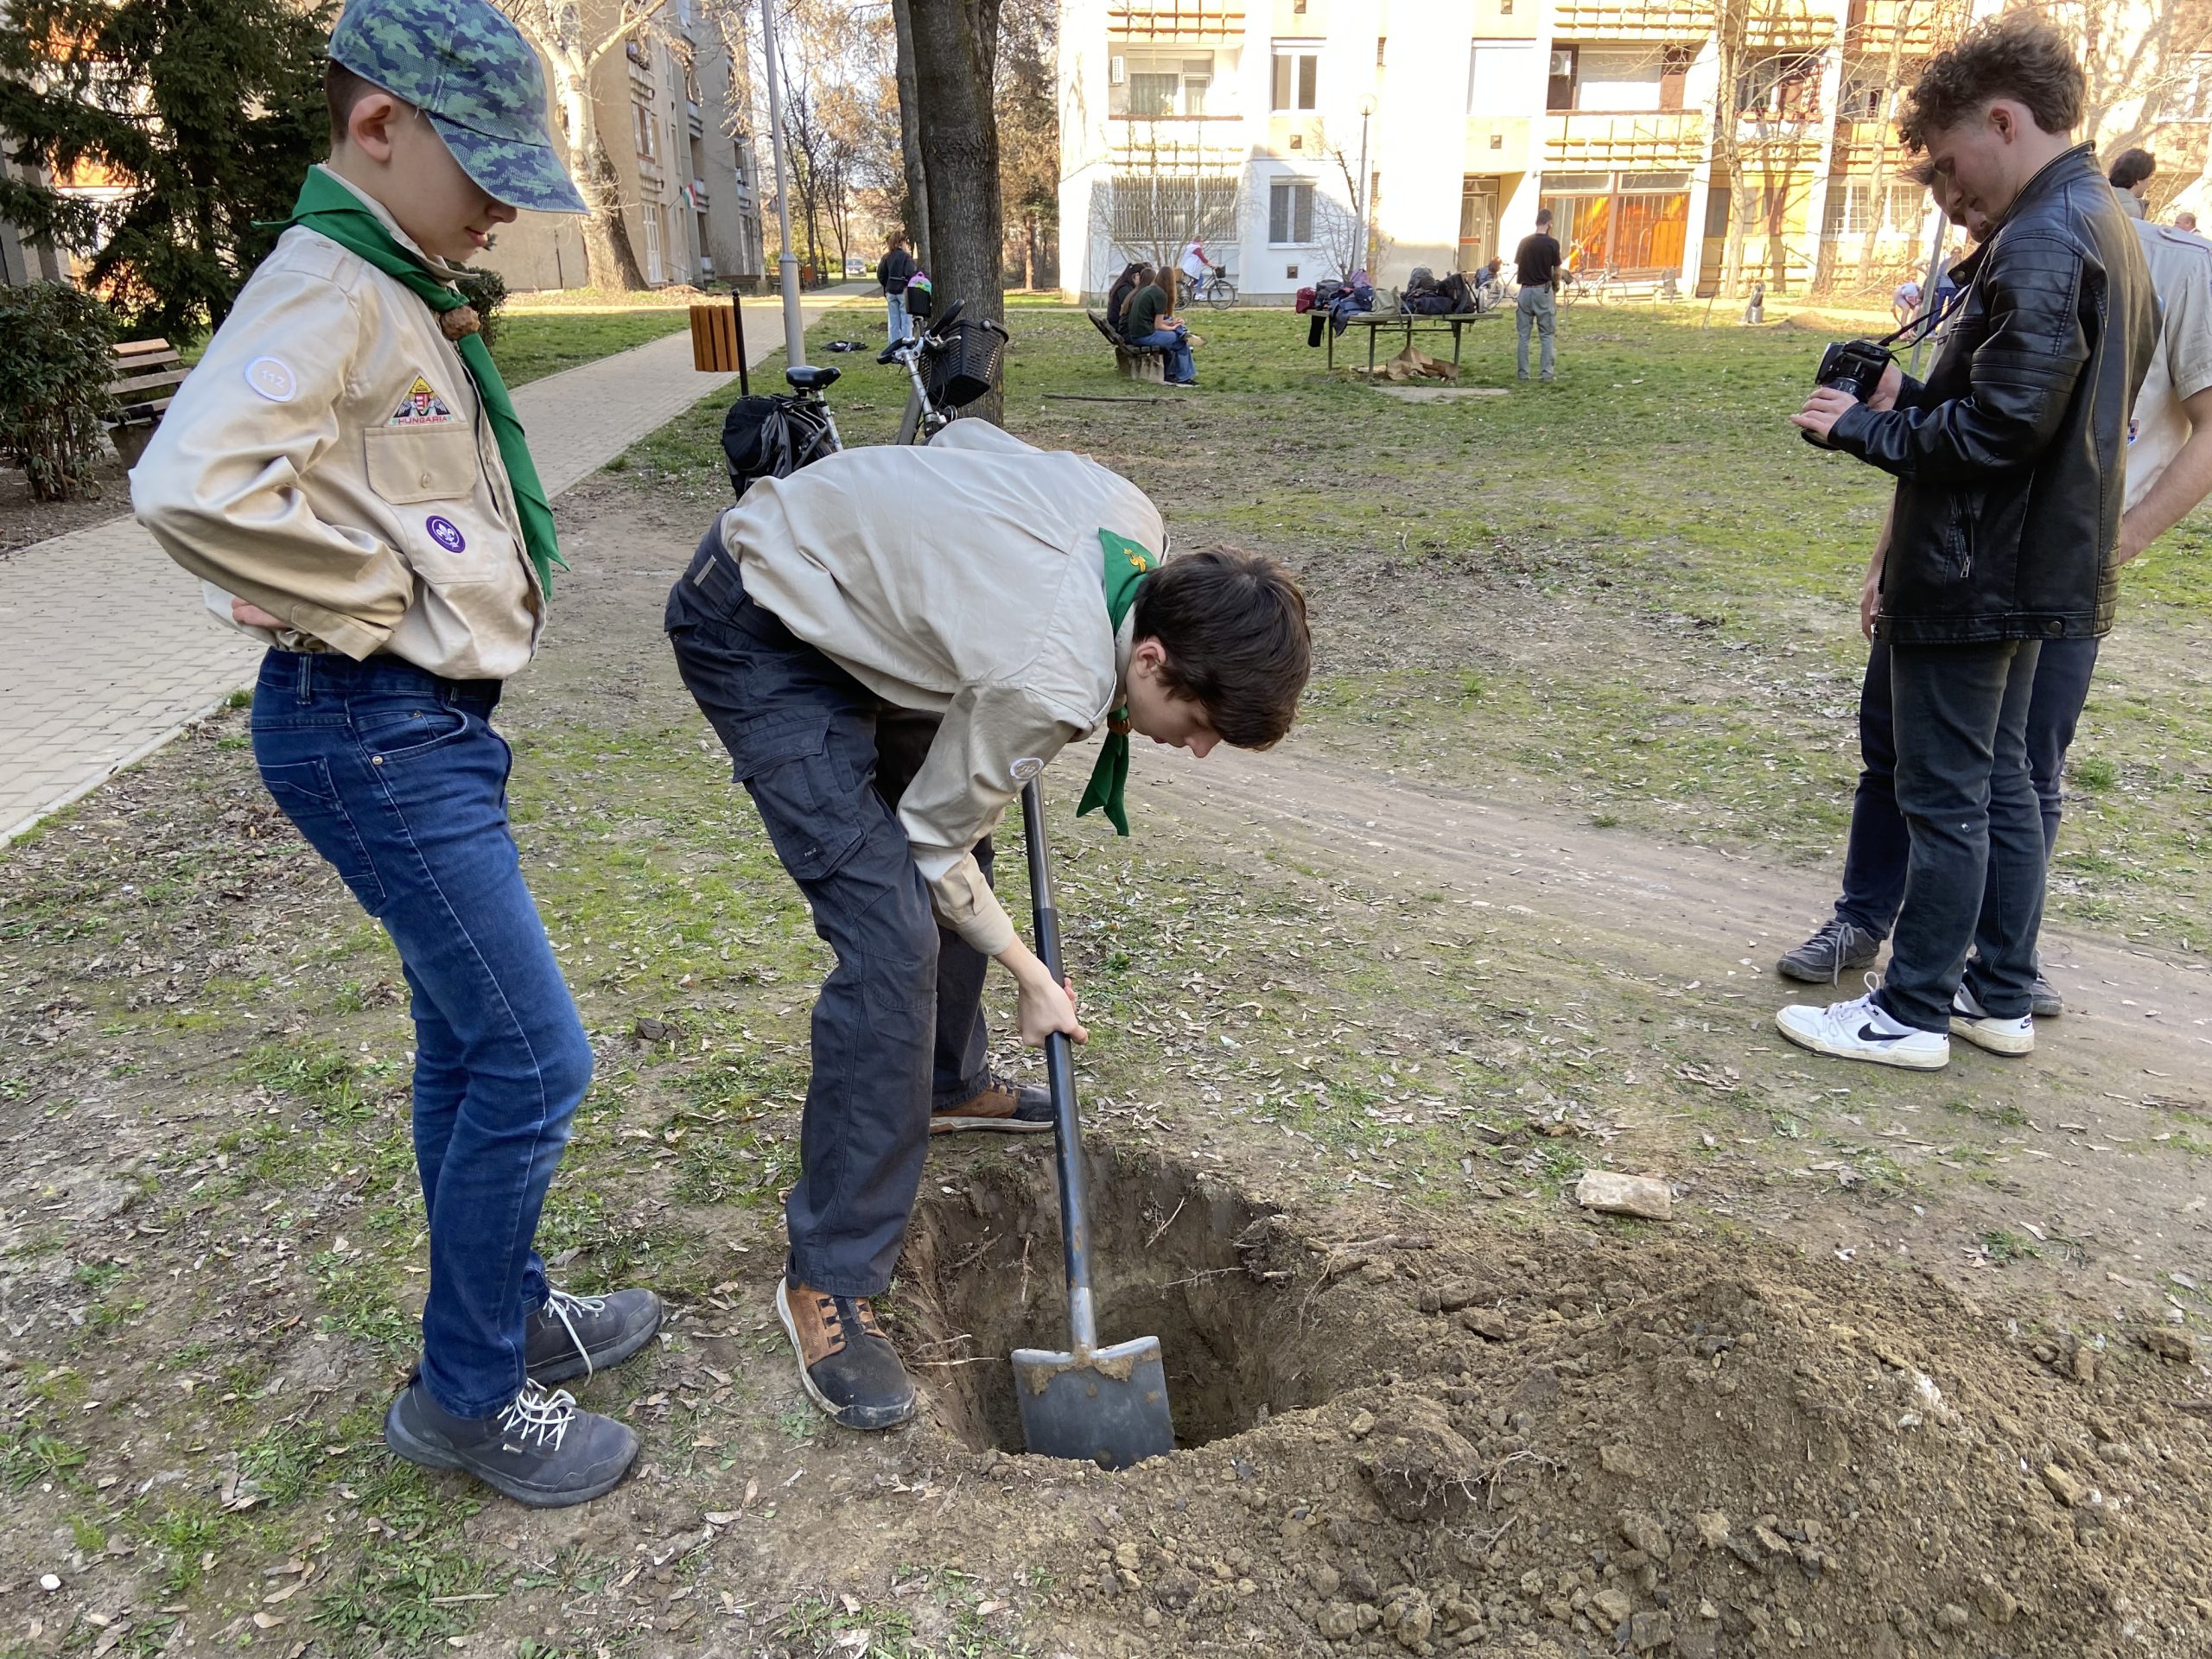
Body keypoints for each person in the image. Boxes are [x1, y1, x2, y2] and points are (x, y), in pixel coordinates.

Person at [130, 0, 660, 1507]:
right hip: (371, 726)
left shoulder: (398, 284)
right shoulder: (331, 285)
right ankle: (466, 1398)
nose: (502, 208)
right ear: (379, 127)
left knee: (471, 1045)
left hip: (415, 728)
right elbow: (190, 482)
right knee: (537, 1057)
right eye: (485, 172)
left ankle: (500, 1314)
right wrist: (369, 596)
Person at [664, 423, 1311, 1431]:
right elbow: (928, 843)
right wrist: (1031, 975)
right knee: (892, 940)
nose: (1194, 752)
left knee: (970, 848)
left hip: (862, 616)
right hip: (761, 624)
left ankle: (943, 1081)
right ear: (1150, 658)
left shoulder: (1131, 519)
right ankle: (827, 1277)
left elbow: (964, 436)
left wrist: (933, 560)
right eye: (1198, 728)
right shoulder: (1048, 678)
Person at [1779, 13, 2156, 1070]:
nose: (1947, 193)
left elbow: (2001, 431)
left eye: (1948, 165)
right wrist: (1911, 395)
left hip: (1976, 566)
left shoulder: (2041, 238)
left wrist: (1862, 429)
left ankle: (1907, 1013)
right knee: (2001, 787)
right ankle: (1996, 995)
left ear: (2000, 121)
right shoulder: (2102, 221)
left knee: (1944, 791)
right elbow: (2031, 408)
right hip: (2034, 558)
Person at [1122, 266, 1198, 386]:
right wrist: (1172, 328)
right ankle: (1184, 378)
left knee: (1176, 334)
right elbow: (1158, 326)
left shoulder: (1148, 290)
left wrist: (1171, 323)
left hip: (1137, 334)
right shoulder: (1160, 295)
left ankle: (1171, 374)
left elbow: (1155, 321)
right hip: (1144, 336)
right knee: (1181, 342)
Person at [1513, 210, 1563, 383]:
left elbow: (1519, 264)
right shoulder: (1552, 244)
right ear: (1549, 223)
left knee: (1523, 336)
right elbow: (1557, 271)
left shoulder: (1524, 242)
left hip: (1525, 291)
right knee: (1547, 335)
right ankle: (1546, 374)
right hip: (1543, 291)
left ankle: (1523, 374)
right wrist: (1556, 286)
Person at [877, 232, 918, 344]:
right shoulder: (906, 257)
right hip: (903, 291)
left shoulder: (886, 257)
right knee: (906, 321)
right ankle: (906, 346)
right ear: (902, 242)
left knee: (893, 322)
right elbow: (911, 274)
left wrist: (887, 285)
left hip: (890, 292)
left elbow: (881, 275)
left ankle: (894, 347)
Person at [2108, 146, 2154, 219]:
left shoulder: (2100, 197)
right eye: (2149, 177)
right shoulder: (2131, 209)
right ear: (2139, 177)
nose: (2149, 183)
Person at [1103, 260, 1145, 333]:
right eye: (1143, 278)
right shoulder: (1125, 289)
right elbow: (1133, 309)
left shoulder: (1123, 285)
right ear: (1137, 275)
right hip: (1118, 326)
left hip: (1117, 324)